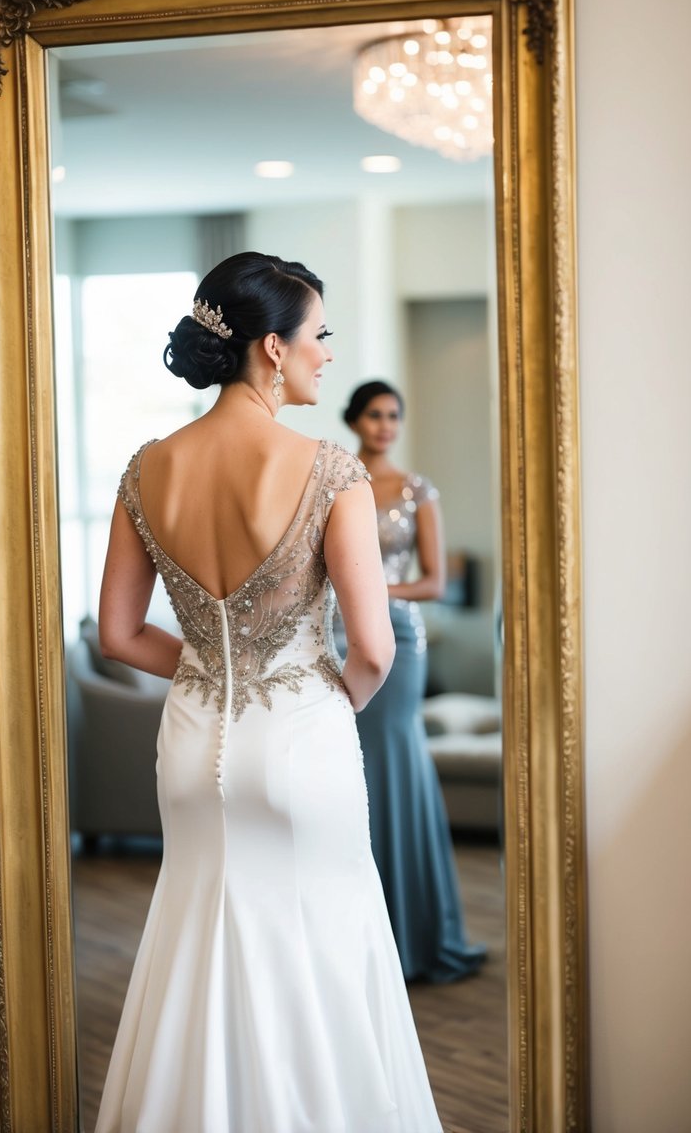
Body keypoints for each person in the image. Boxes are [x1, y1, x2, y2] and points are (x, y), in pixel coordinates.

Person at [94, 255, 443, 1132]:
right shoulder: (330, 473)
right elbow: (370, 649)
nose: (326, 354)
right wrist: (315, 706)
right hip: (300, 743)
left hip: (188, 750)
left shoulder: (147, 470)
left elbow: (120, 634)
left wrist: (219, 669)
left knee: (196, 954)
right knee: (320, 959)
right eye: (317, 335)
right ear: (271, 349)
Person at [342, 380, 486, 984]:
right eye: (374, 414)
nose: (384, 425)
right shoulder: (335, 479)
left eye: (393, 415)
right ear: (355, 419)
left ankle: (415, 933)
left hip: (400, 640)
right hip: (337, 633)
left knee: (394, 761)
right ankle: (354, 936)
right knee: (349, 767)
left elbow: (434, 582)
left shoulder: (418, 490)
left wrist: (371, 593)